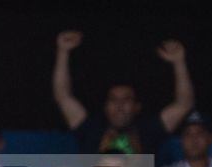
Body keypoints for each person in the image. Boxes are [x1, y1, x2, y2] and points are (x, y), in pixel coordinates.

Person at [52, 31, 194, 156]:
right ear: (106, 107)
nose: (119, 105)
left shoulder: (148, 130)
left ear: (137, 107)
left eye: (126, 100)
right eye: (113, 100)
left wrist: (179, 62)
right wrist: (63, 51)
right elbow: (63, 96)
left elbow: (183, 104)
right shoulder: (91, 130)